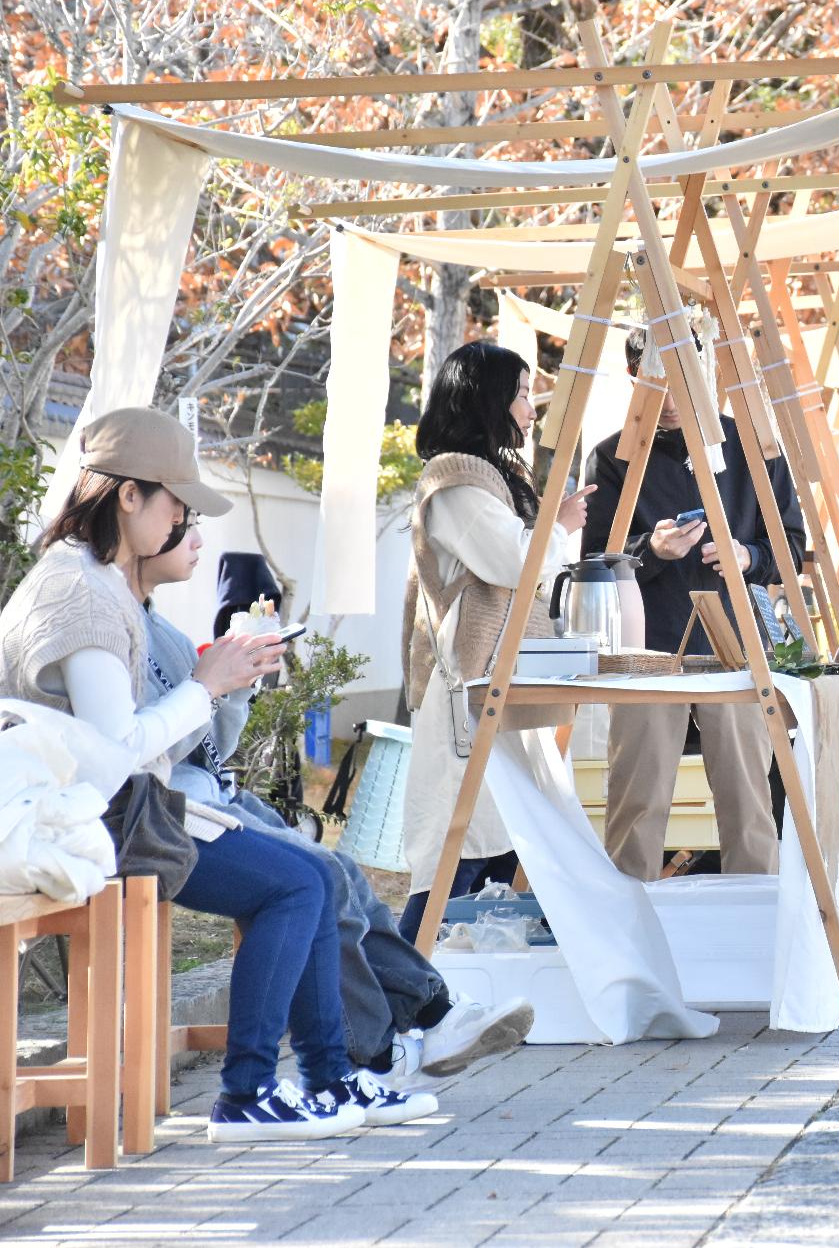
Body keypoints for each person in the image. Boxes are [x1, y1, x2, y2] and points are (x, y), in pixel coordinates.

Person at [0, 407, 433, 1140]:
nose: (183, 522)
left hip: (115, 812)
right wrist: (206, 683)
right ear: (126, 495)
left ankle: (329, 1079)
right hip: (96, 820)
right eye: (177, 503)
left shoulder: (98, 580)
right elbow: (116, 750)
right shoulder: (80, 592)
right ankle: (248, 1093)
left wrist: (218, 682)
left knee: (315, 878)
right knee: (299, 883)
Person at [139, 527, 534, 1085]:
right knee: (315, 878)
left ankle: (425, 1016)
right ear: (130, 505)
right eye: (180, 519)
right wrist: (205, 687)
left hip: (205, 798)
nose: (198, 537)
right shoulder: (110, 619)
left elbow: (208, 749)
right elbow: (137, 753)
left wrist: (235, 686)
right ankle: (360, 1060)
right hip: (160, 816)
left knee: (339, 869)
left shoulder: (161, 629)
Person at [582, 335, 807, 880]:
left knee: (749, 801)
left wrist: (746, 555)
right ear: (634, 375)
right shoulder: (615, 456)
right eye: (658, 379)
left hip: (735, 645)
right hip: (646, 649)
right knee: (637, 802)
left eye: (687, 377)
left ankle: (758, 923)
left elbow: (792, 549)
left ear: (707, 371)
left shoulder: (752, 446)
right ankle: (628, 927)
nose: (675, 396)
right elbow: (594, 558)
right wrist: (649, 551)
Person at [401, 341, 595, 940]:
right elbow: (514, 559)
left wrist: (550, 528)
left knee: (502, 837)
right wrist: (556, 528)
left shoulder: (491, 475)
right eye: (517, 394)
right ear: (485, 399)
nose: (529, 409)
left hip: (499, 680)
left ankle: (459, 980)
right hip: (473, 684)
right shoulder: (455, 481)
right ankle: (405, 987)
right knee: (459, 847)